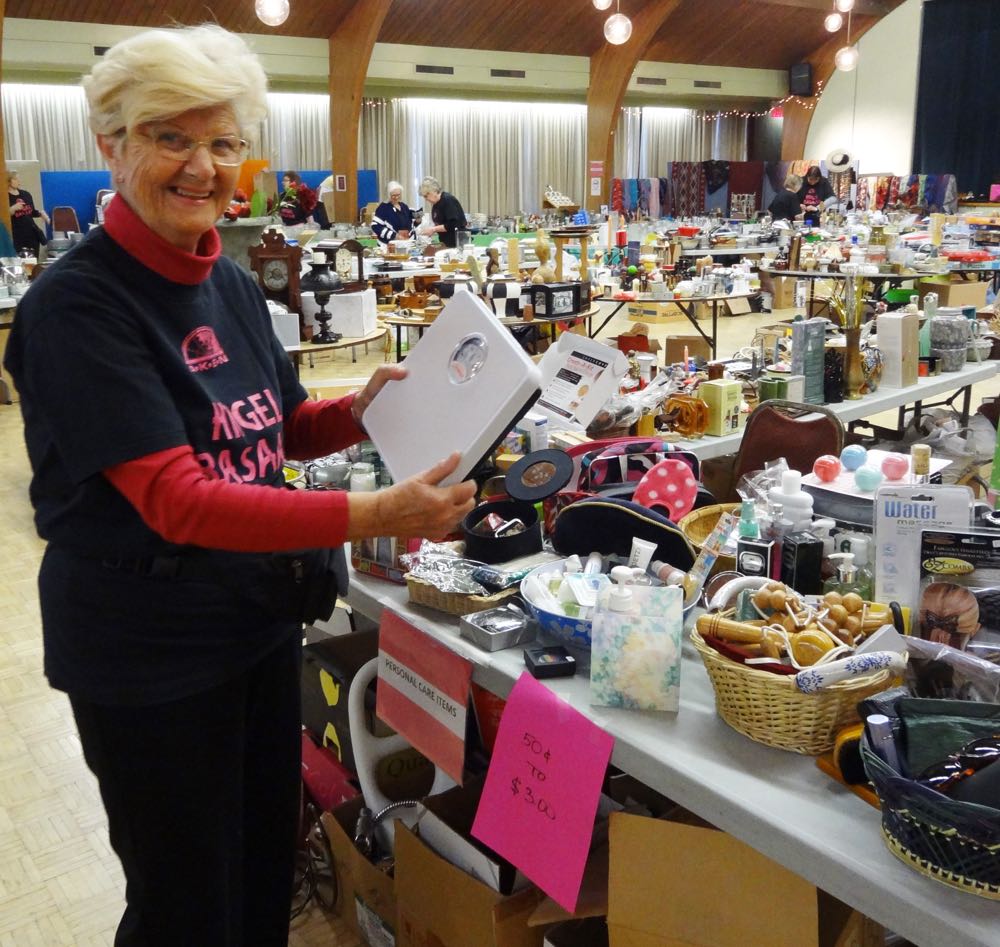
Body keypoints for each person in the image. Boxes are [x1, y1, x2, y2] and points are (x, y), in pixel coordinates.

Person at [2, 24, 476, 947]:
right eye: (170, 137)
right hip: (148, 648)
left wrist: (359, 411)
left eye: (223, 142)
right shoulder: (78, 307)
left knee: (264, 869)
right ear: (112, 146)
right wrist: (377, 512)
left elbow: (278, 425)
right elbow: (177, 499)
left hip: (250, 621)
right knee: (186, 903)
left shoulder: (225, 279)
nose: (202, 166)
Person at [7, 170, 50, 256]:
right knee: (20, 261)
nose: (19, 181)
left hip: (31, 234)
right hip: (16, 236)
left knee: (33, 259)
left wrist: (41, 213)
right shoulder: (4, 197)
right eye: (15, 179)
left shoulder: (26, 194)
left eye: (19, 178)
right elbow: (3, 216)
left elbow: (31, 212)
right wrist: (12, 209)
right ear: (8, 181)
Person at [418, 175, 466, 248]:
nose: (426, 199)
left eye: (426, 196)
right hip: (446, 243)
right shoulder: (435, 205)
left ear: (433, 191)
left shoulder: (448, 200)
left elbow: (453, 224)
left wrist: (433, 229)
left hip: (457, 243)